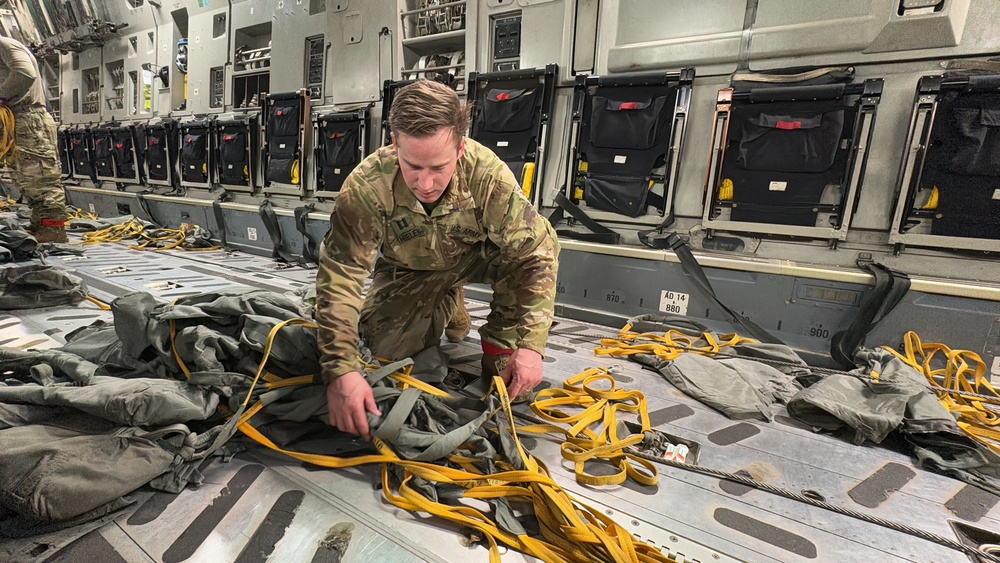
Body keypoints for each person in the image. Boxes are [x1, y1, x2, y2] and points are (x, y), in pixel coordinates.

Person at [315, 80, 560, 439]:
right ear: (394, 143)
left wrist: (532, 347)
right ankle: (447, 300)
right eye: (413, 166)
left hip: (479, 258)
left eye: (439, 168)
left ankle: (498, 340)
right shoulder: (367, 187)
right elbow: (340, 277)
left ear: (460, 148)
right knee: (383, 352)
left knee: (509, 368)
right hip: (412, 268)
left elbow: (535, 254)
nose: (426, 183)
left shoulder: (486, 175)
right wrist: (341, 370)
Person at [0, 36, 66, 243]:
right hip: (19, 120)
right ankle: (40, 226)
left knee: (41, 179)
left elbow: (24, 73)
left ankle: (54, 231)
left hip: (29, 120)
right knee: (26, 178)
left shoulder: (4, 45)